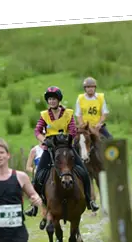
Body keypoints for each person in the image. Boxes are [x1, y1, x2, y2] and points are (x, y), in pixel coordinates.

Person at [31, 86, 99, 230]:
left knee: (84, 173)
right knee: (38, 176)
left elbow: (73, 130)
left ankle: (89, 200)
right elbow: (37, 130)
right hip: (50, 149)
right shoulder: (44, 115)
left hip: (67, 148)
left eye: (54, 98)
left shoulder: (68, 113)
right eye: (49, 99)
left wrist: (67, 139)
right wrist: (44, 140)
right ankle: (36, 206)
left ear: (58, 100)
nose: (51, 101)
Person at [24, 144, 44, 218]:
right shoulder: (34, 150)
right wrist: (35, 171)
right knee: (33, 187)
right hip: (39, 175)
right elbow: (28, 167)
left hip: (50, 173)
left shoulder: (52, 147)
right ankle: (34, 208)